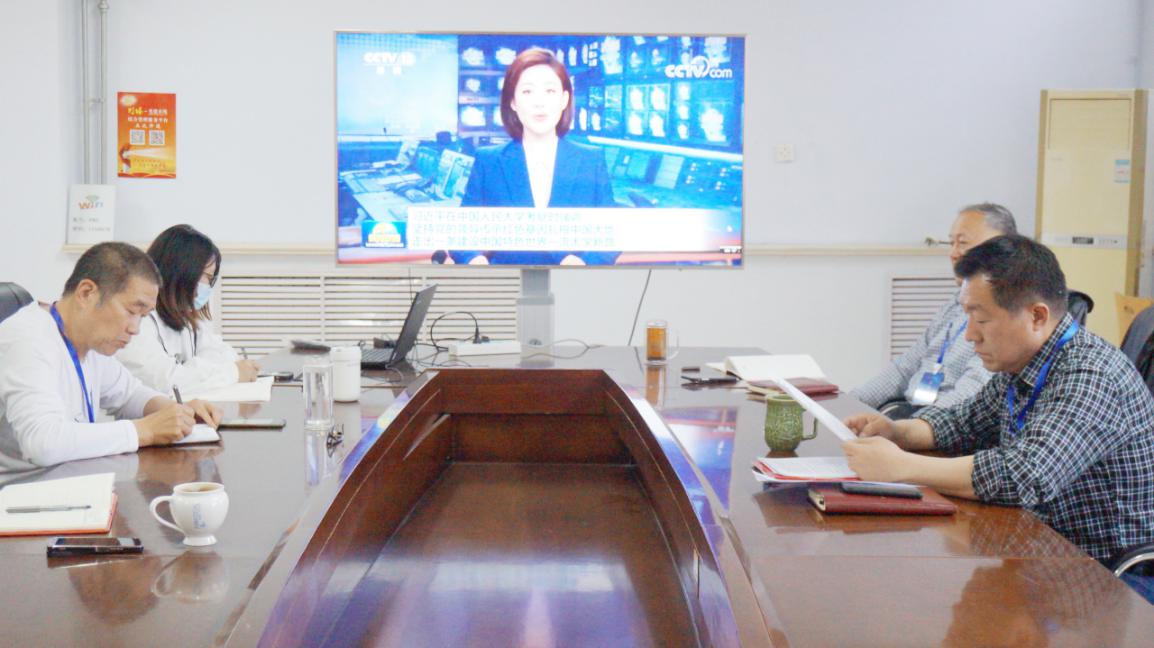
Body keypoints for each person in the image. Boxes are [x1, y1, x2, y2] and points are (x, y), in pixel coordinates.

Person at [842, 235, 1154, 572]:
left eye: (982, 320)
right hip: (1039, 544)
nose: (970, 335)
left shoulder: (1092, 375)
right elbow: (965, 422)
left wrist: (902, 467)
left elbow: (1024, 476)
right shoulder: (1025, 361)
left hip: (1106, 573)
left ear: (1037, 316)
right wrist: (898, 432)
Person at [0, 242, 222, 472]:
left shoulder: (90, 341)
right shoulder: (28, 338)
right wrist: (144, 430)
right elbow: (43, 443)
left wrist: (176, 411)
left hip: (69, 479)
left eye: (143, 316)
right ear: (86, 293)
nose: (135, 329)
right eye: (131, 311)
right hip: (23, 488)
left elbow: (129, 394)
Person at [454, 47, 618, 266]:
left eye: (550, 91)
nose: (539, 102)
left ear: (564, 99)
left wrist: (584, 265)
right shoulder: (488, 161)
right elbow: (460, 234)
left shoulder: (590, 159)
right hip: (507, 283)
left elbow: (613, 233)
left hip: (574, 283)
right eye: (527, 92)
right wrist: (474, 259)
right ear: (513, 102)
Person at [852, 203, 1017, 418]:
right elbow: (905, 366)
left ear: (1000, 247)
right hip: (910, 413)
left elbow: (972, 393)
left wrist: (913, 428)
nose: (953, 253)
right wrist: (851, 403)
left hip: (943, 425)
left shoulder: (1005, 313)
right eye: (951, 243)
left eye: (963, 243)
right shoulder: (954, 303)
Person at [117, 225, 259, 394]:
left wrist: (196, 371)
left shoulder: (185, 317)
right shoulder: (136, 321)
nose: (207, 286)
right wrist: (231, 373)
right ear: (180, 270)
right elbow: (168, 383)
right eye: (206, 277)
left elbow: (223, 353)